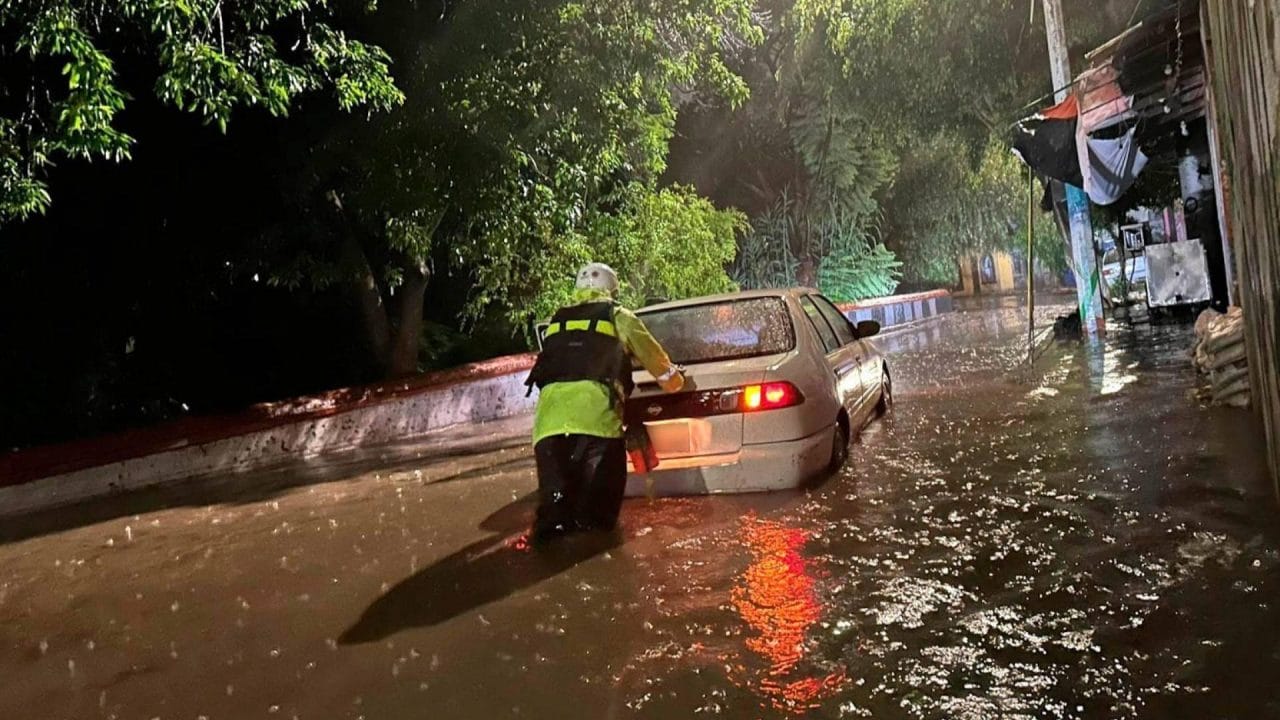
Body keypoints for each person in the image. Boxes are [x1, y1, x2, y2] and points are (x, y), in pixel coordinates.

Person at [524, 263, 685, 543]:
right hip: (597, 428)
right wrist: (677, 382)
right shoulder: (619, 317)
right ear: (613, 289)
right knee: (598, 520)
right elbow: (663, 372)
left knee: (554, 517)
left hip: (547, 431)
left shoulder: (557, 322)